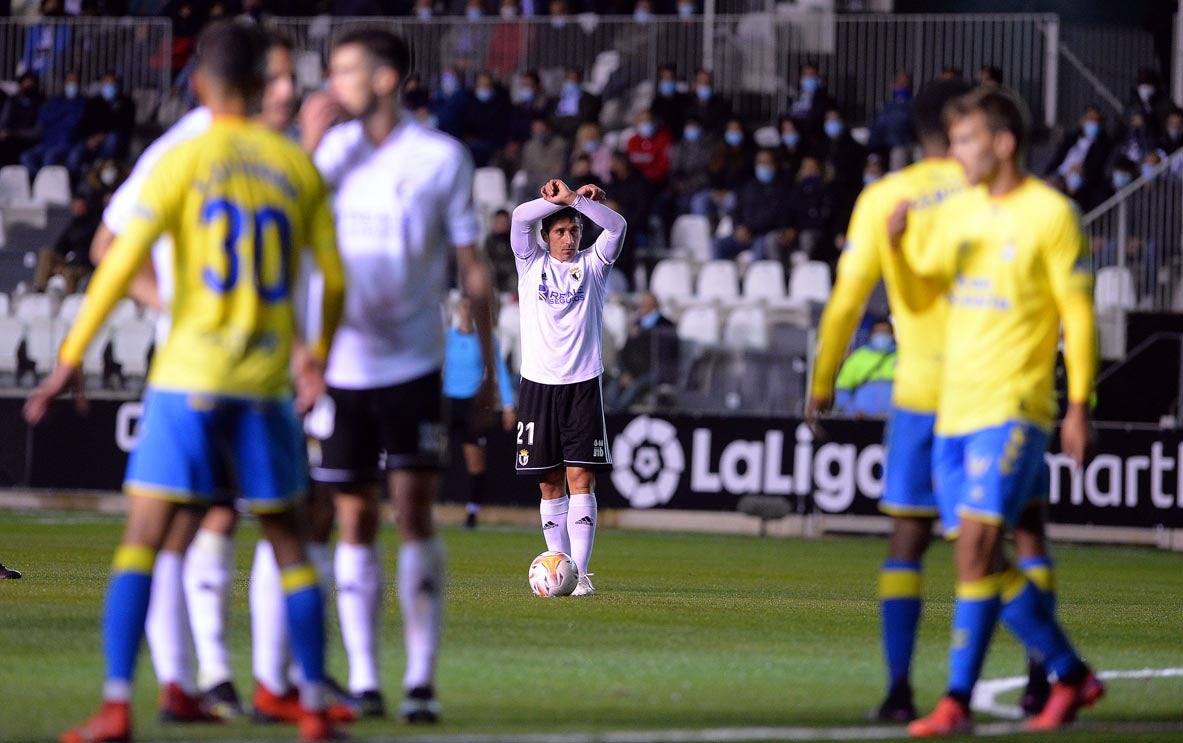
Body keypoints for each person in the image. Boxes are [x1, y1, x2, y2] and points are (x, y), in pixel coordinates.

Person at [25, 20, 347, 743]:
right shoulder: (295, 167)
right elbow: (332, 277)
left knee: (143, 538)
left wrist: (71, 358)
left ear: (199, 84)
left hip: (186, 377)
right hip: (264, 382)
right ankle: (316, 712)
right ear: (265, 87)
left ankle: (116, 703)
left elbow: (112, 264)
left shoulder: (181, 158)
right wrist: (316, 355)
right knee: (292, 545)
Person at [298, 26, 497, 722]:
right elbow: (287, 233)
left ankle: (418, 679)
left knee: (413, 513)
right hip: (342, 368)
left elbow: (472, 268)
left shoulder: (440, 158)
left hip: (413, 363)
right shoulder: (328, 155)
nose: (333, 85)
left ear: (385, 79)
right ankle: (363, 677)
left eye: (345, 71)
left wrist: (492, 374)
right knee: (352, 519)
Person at [899, 86, 1104, 736]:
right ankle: (1072, 675)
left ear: (1002, 142)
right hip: (951, 412)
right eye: (953, 139)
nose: (955, 153)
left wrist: (1076, 404)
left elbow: (1077, 313)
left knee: (981, 546)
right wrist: (900, 246)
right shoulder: (959, 212)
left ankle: (955, 700)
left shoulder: (1050, 213)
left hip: (1013, 405)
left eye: (965, 140)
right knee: (977, 558)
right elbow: (920, 287)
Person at [511, 178, 625, 597]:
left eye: (574, 230)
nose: (568, 238)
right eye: (559, 231)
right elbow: (520, 218)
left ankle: (580, 572)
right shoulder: (530, 263)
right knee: (548, 482)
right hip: (537, 385)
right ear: (545, 236)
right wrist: (554, 201)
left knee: (581, 476)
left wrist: (577, 201)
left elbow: (617, 228)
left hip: (581, 383)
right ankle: (558, 564)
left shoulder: (593, 265)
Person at [445, 297, 517, 529]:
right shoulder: (447, 340)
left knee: (475, 461)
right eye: (464, 306)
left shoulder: (486, 340)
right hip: (448, 403)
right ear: (458, 310)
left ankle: (472, 512)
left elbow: (500, 372)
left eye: (472, 307)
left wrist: (508, 405)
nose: (468, 311)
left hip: (473, 405)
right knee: (430, 458)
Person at [604, 291, 675, 412]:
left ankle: (617, 417)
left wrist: (634, 374)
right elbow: (625, 351)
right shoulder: (636, 325)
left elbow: (662, 356)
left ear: (654, 305)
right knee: (611, 391)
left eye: (646, 303)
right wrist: (625, 372)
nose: (642, 306)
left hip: (652, 371)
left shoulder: (665, 326)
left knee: (632, 389)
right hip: (630, 371)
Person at [832, 317, 895, 417]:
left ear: (892, 335)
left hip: (895, 420)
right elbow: (842, 389)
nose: (882, 336)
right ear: (871, 335)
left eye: (885, 332)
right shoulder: (857, 358)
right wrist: (852, 410)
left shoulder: (904, 358)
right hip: (863, 419)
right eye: (878, 332)